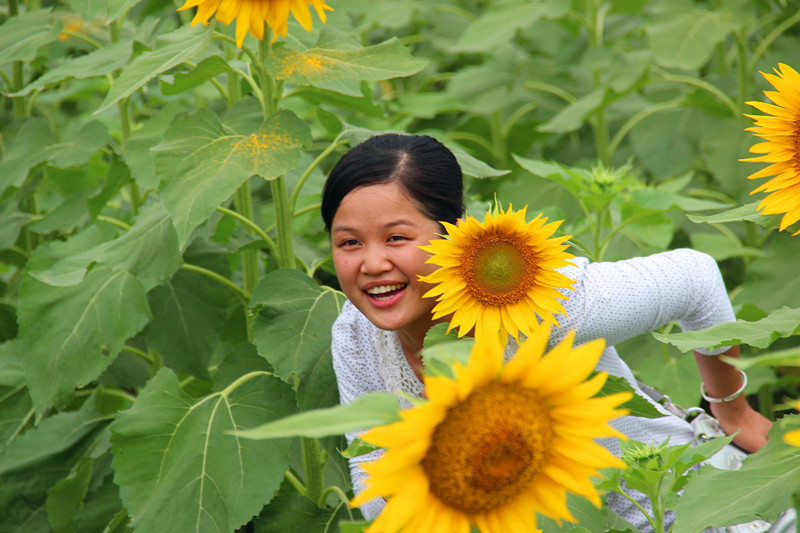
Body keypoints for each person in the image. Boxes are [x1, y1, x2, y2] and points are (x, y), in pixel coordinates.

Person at [321, 133, 773, 531]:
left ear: (453, 233)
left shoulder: (535, 300)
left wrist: (734, 413)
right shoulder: (356, 334)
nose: (372, 264)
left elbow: (695, 278)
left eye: (396, 238)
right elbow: (370, 460)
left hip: (684, 511)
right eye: (349, 242)